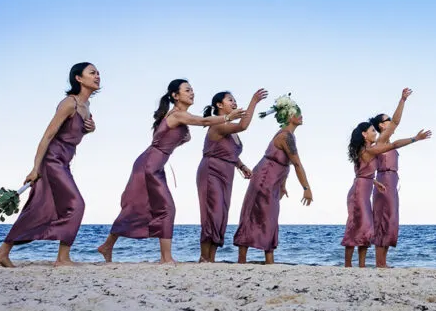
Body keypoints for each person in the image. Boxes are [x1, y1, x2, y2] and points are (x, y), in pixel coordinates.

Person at [99, 79, 244, 264]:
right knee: (167, 208)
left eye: (192, 90)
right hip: (148, 166)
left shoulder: (179, 116)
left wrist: (182, 138)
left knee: (137, 207)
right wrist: (228, 117)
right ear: (175, 96)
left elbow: (164, 140)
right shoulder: (177, 115)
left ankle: (107, 246)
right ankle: (166, 258)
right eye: (187, 90)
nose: (192, 93)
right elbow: (204, 121)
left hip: (155, 166)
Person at [0, 62, 99, 268]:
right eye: (92, 73)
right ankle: (62, 258)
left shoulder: (86, 108)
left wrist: (89, 129)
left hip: (63, 162)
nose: (97, 76)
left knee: (39, 208)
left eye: (98, 73)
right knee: (76, 204)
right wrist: (35, 168)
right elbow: (48, 135)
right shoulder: (69, 103)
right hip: (52, 161)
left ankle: (2, 252)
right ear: (78, 78)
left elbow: (71, 134)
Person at [232, 97, 313, 264]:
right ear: (290, 117)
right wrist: (306, 187)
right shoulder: (285, 136)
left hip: (274, 179)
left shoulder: (289, 136)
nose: (301, 116)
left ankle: (269, 259)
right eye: (298, 113)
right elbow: (297, 163)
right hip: (264, 177)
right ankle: (243, 261)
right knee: (254, 214)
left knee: (271, 216)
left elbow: (287, 163)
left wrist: (283, 185)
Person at [344, 120, 430, 268]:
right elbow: (394, 145)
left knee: (366, 228)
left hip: (365, 190)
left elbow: (364, 173)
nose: (375, 133)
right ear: (364, 134)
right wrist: (415, 138)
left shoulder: (367, 149)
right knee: (356, 227)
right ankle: (347, 265)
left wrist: (376, 183)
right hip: (358, 192)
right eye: (372, 131)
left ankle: (362, 266)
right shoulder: (367, 150)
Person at [196, 88, 267, 263]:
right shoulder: (216, 124)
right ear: (219, 105)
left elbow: (228, 152)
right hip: (211, 170)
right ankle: (204, 258)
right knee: (212, 212)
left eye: (234, 100)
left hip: (227, 173)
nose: (234, 102)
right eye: (230, 100)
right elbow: (244, 125)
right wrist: (254, 101)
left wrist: (241, 166)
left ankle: (211, 258)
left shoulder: (230, 130)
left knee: (221, 214)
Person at [368, 88, 414, 268]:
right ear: (381, 125)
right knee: (382, 220)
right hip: (384, 181)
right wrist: (402, 100)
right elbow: (366, 168)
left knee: (391, 220)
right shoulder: (380, 142)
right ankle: (380, 263)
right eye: (386, 120)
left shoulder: (387, 143)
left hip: (392, 183)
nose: (390, 122)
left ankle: (383, 262)